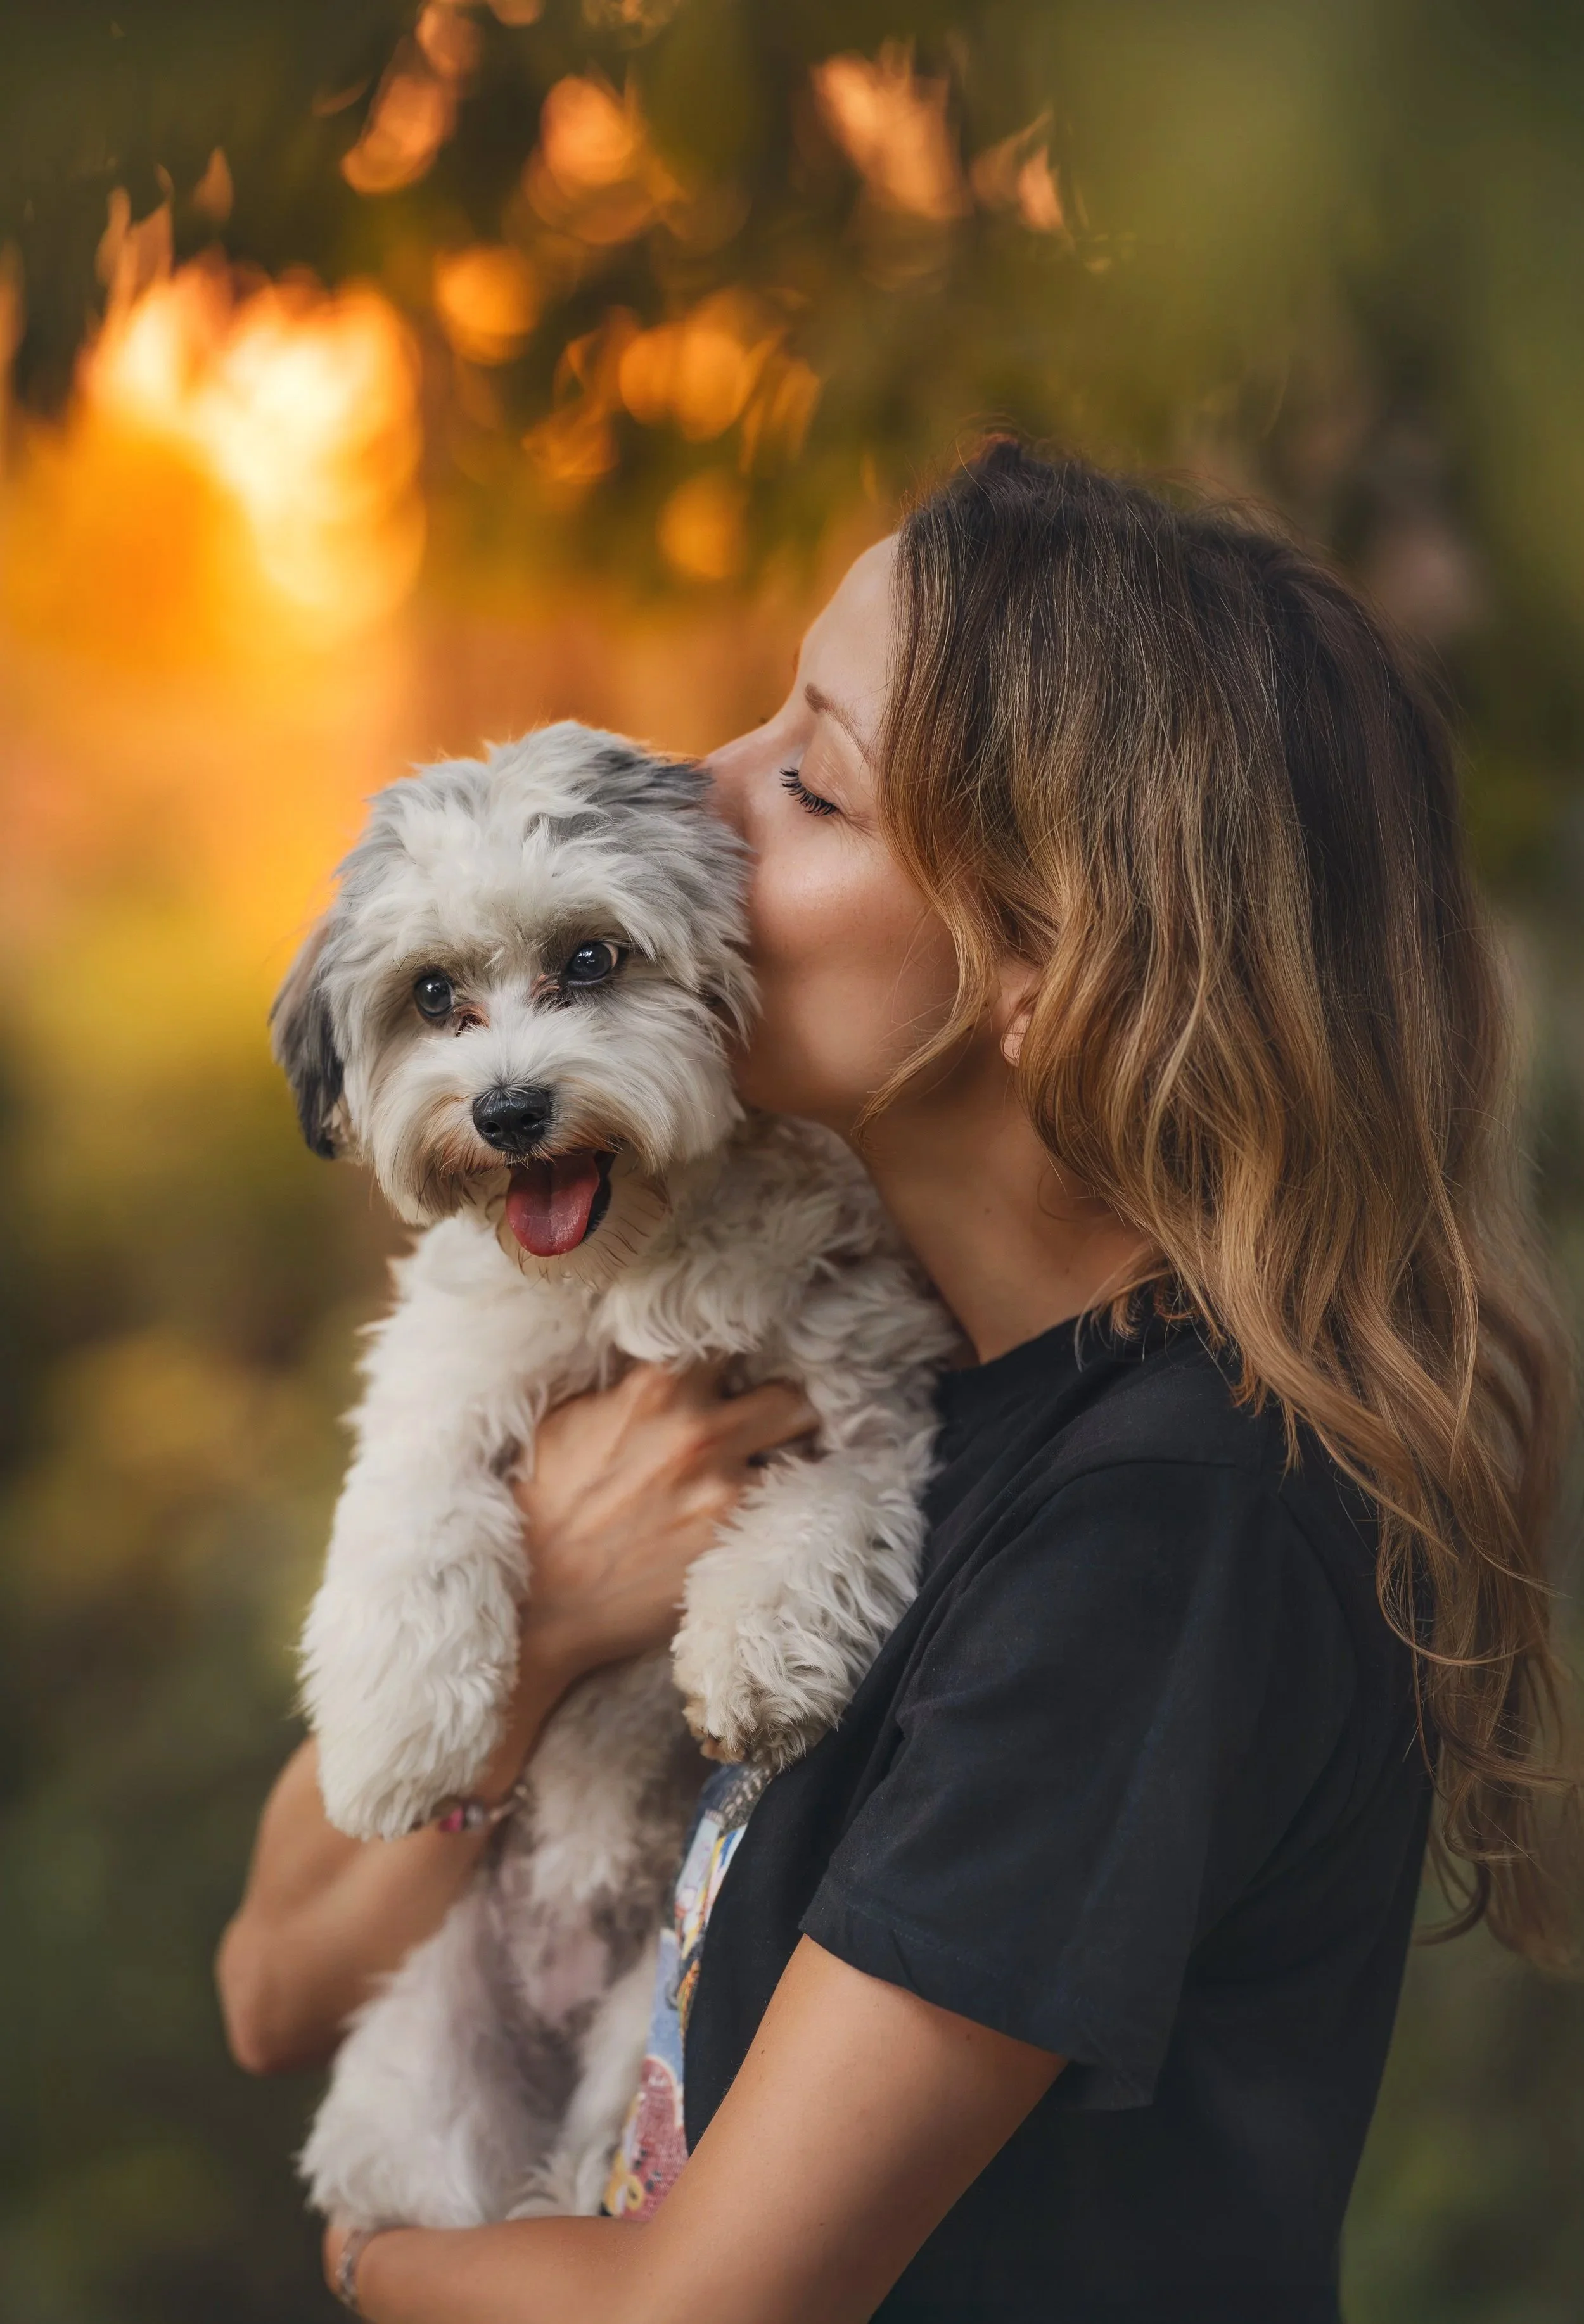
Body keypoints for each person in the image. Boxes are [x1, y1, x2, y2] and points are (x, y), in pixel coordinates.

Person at [217, 443, 1574, 2324]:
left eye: (809, 778)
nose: (685, 782)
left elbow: (694, 2309)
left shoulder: (1159, 1532)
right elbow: (270, 1986)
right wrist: (534, 1622)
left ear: (1042, 965)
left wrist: (371, 2253)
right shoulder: (838, 1347)